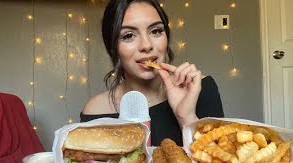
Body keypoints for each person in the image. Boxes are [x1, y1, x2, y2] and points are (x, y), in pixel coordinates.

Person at [80, 0, 224, 146]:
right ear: (112, 47)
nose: (146, 45)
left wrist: (186, 117)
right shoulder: (95, 110)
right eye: (128, 35)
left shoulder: (199, 88)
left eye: (155, 31)